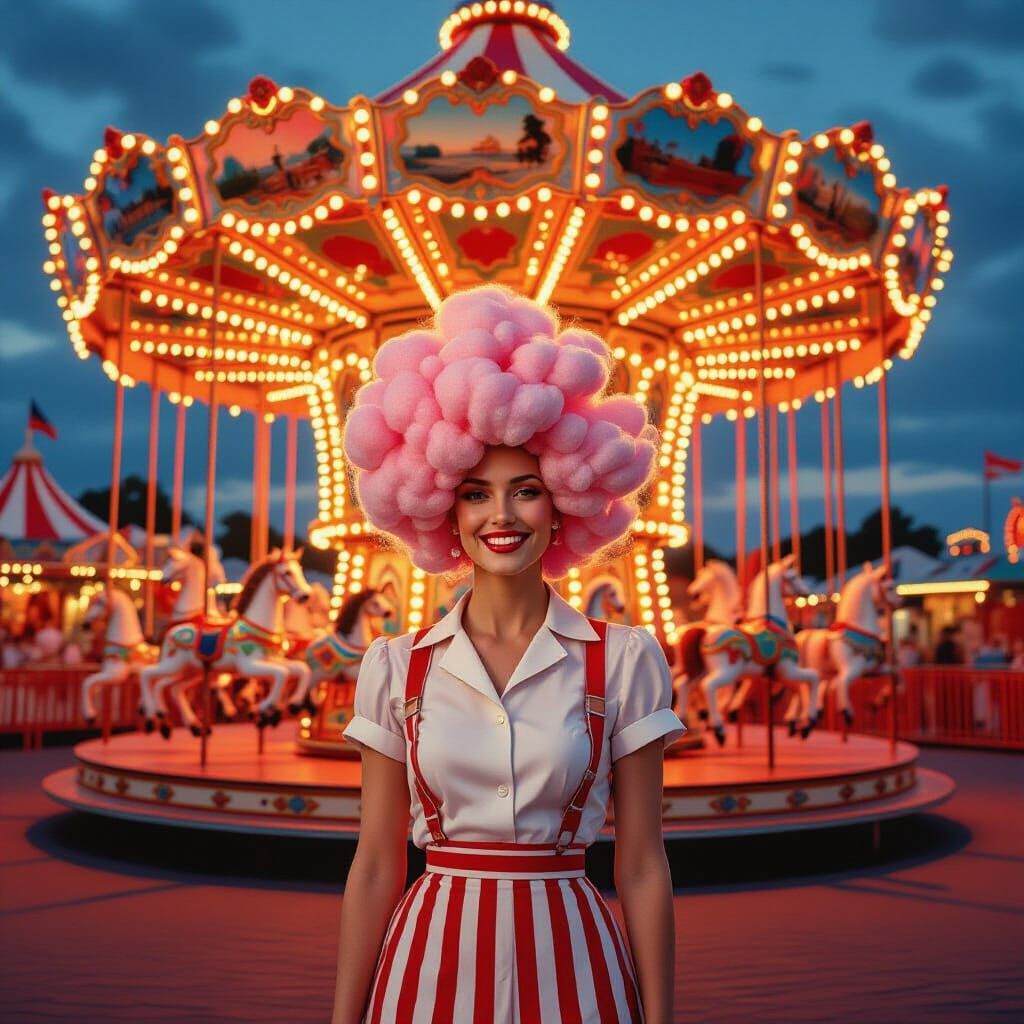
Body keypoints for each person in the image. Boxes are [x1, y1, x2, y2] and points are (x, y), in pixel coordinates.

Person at [331, 285, 684, 1024]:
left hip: (575, 963)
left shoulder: (624, 659)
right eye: (473, 493)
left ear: (563, 499)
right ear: (436, 506)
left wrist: (660, 1017)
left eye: (525, 490)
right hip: (428, 963)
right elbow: (374, 865)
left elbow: (644, 864)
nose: (500, 516)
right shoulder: (396, 667)